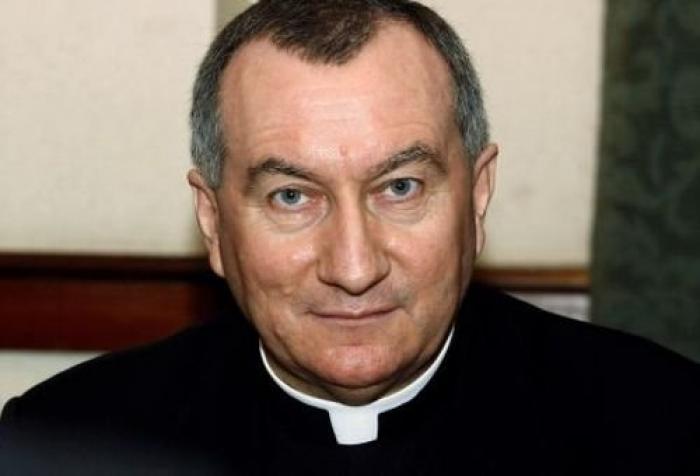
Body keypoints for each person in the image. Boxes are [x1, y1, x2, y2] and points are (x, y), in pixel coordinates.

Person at [1, 1, 699, 474]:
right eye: (292, 196)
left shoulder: (663, 427)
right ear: (212, 221)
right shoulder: (65, 444)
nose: (355, 266)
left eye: (400, 188)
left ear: (478, 195)